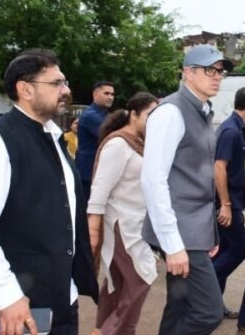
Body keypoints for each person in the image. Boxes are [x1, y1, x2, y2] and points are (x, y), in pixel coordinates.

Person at [0, 49, 99, 335]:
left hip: (58, 300)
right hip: (12, 307)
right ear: (25, 89)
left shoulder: (52, 138)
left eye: (64, 82)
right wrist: (6, 295)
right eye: (56, 83)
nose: (66, 91)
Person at [141, 44, 230, 335]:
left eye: (220, 71)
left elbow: (195, 177)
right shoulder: (170, 112)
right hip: (180, 233)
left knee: (179, 305)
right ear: (187, 73)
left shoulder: (202, 110)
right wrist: (173, 244)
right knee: (208, 313)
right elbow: (153, 179)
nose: (217, 76)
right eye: (210, 70)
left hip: (193, 230)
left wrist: (208, 234)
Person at [87, 92, 159, 335]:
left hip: (137, 222)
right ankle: (116, 331)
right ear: (134, 114)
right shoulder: (118, 144)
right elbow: (99, 189)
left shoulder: (142, 143)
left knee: (117, 282)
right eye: (150, 115)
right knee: (142, 278)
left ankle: (101, 329)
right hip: (121, 224)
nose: (154, 122)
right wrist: (94, 230)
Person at [210, 87, 245, 329]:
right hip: (227, 203)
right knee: (239, 249)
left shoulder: (236, 128)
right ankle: (202, 286)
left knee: (224, 251)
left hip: (233, 199)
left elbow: (234, 168)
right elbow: (220, 168)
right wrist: (226, 205)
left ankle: (213, 303)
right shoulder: (231, 131)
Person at [77, 80, 115, 195]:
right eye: (106, 93)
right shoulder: (91, 115)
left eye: (112, 94)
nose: (110, 97)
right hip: (88, 172)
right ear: (95, 94)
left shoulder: (106, 115)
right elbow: (113, 136)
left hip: (97, 170)